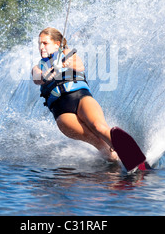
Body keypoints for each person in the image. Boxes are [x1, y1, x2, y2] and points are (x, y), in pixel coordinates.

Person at [31, 27, 118, 162]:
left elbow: (80, 67)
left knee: (98, 126)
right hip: (62, 112)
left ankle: (127, 153)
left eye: (45, 43)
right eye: (39, 44)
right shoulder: (38, 67)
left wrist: (66, 62)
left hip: (81, 98)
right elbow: (37, 78)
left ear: (57, 44)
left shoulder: (68, 54)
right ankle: (116, 164)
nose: (41, 47)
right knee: (97, 141)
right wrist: (45, 75)